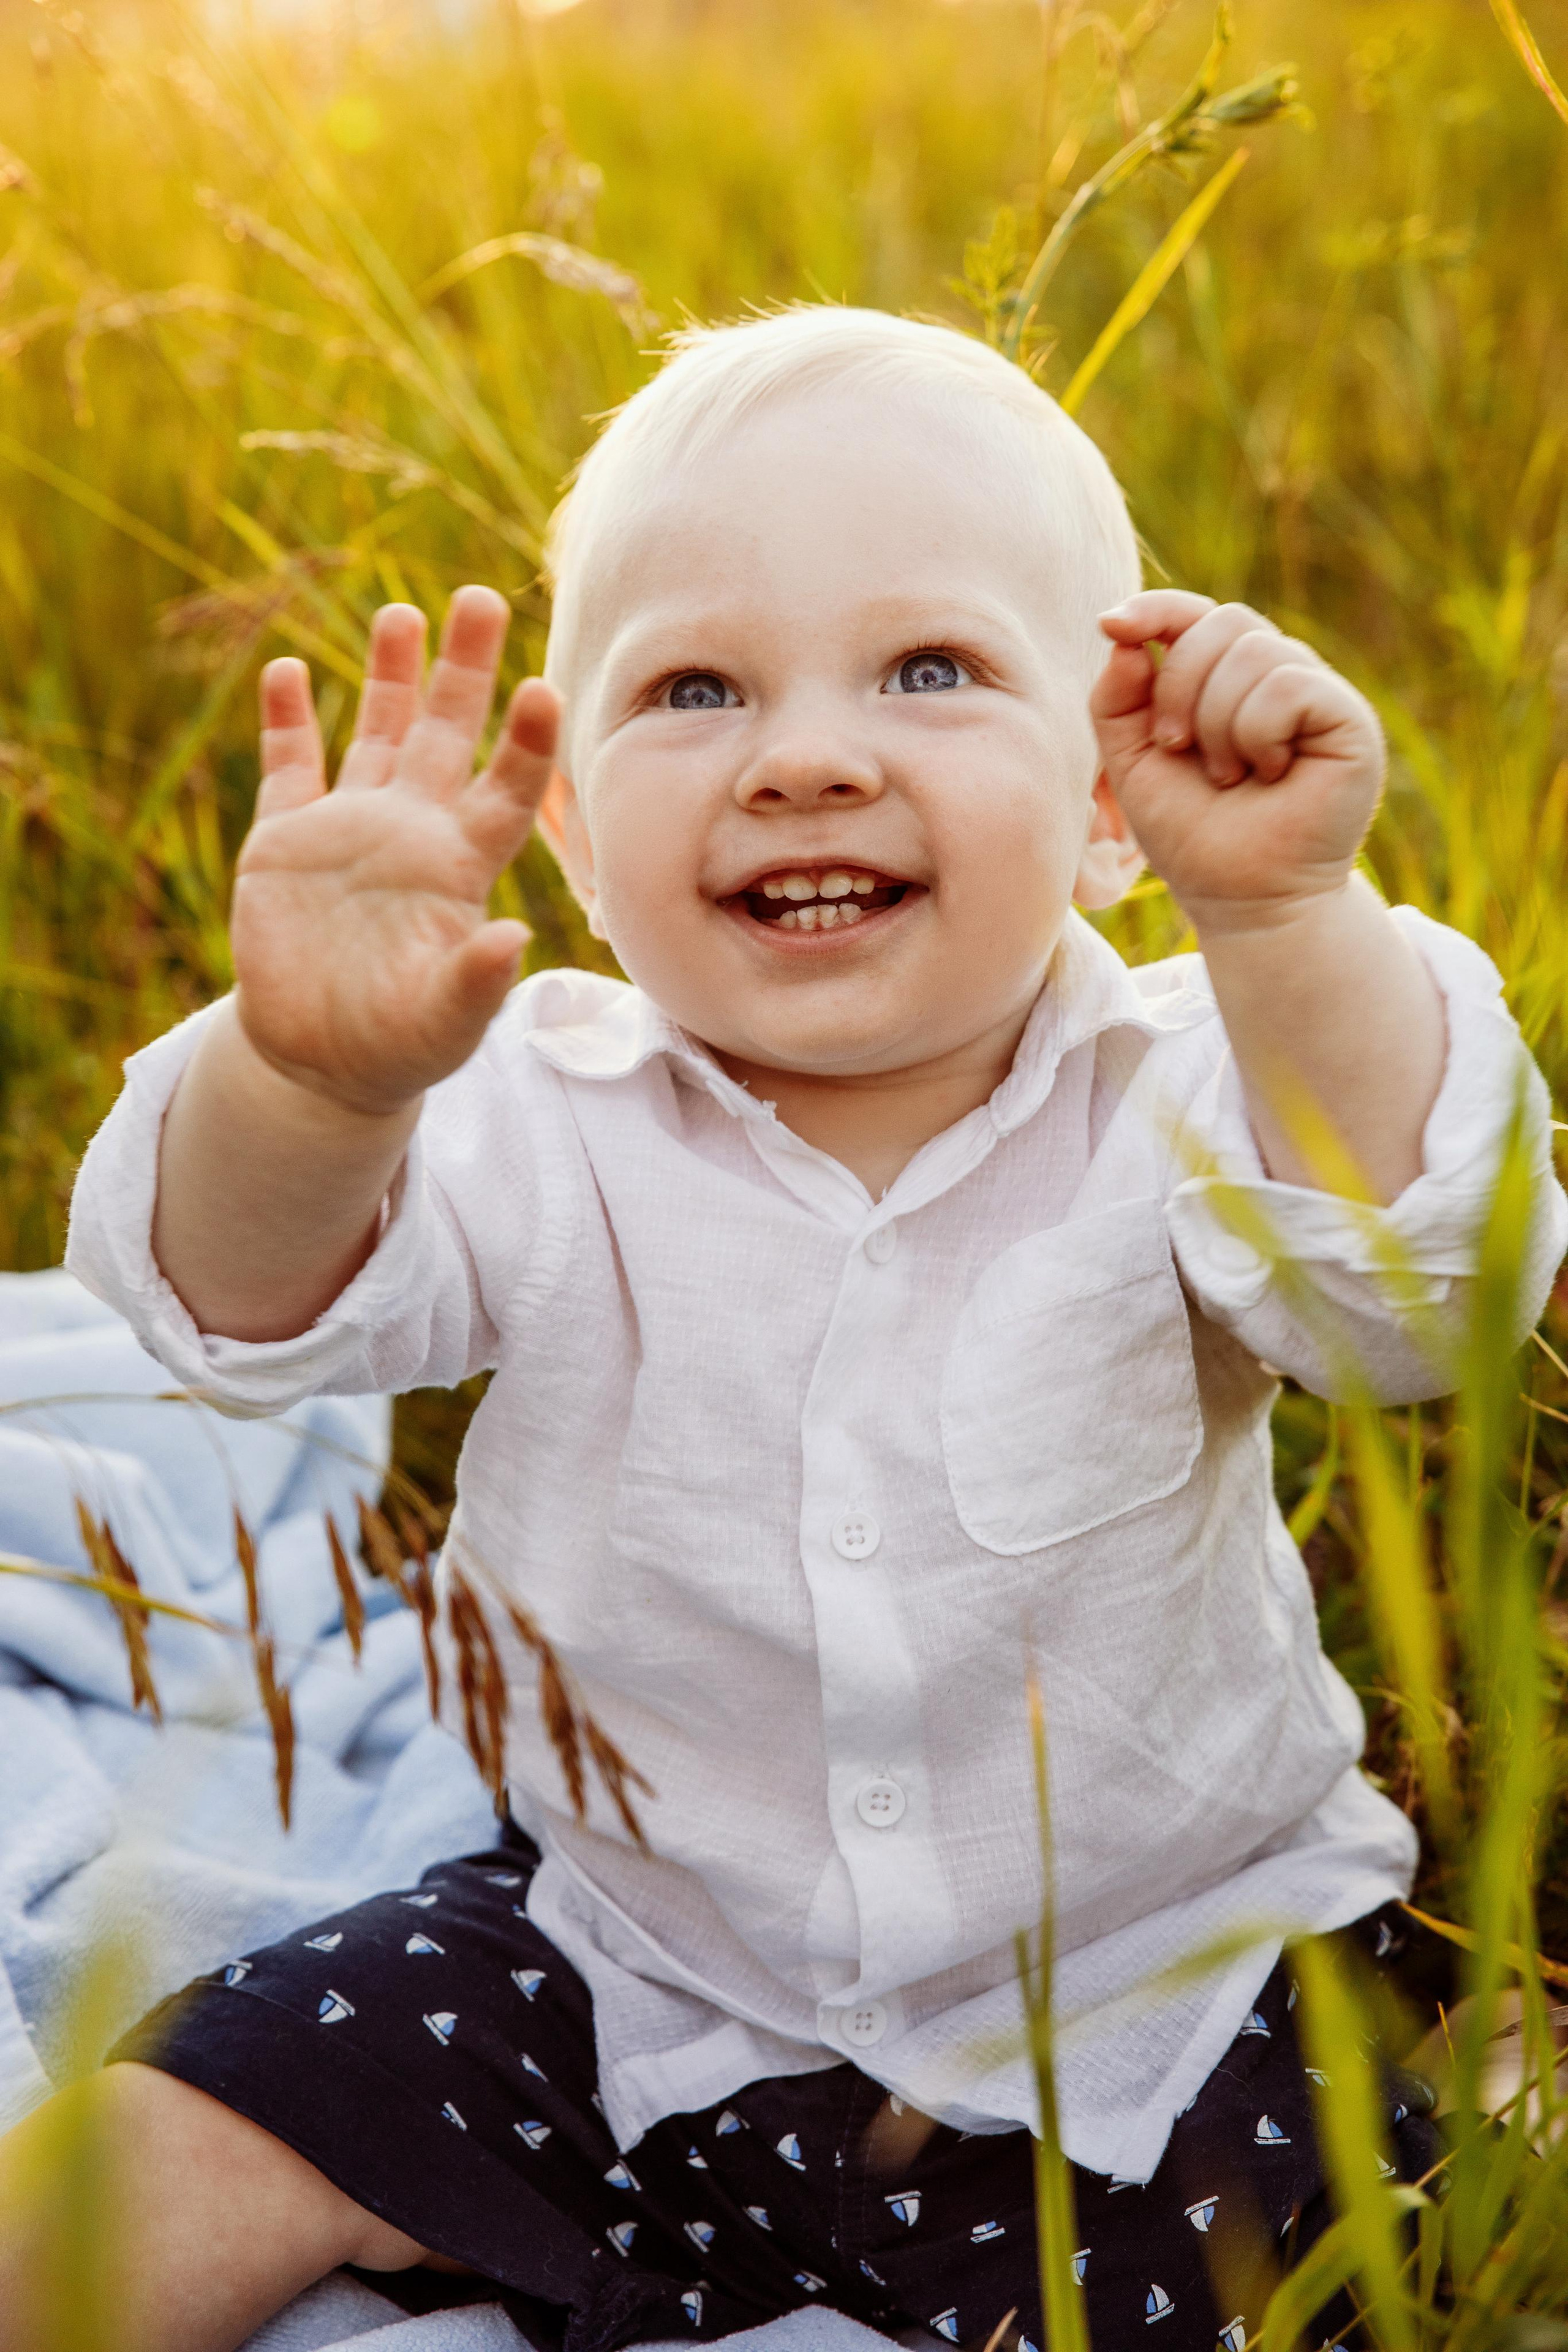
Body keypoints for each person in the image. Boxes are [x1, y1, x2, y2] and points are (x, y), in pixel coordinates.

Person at [2, 306, 1561, 2352]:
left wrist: (1287, 921)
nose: (806, 752)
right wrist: (311, 1086)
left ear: (1111, 801)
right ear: (567, 835)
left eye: (929, 670)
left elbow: (1421, 1296)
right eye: (694, 687)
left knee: (1367, 2237)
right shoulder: (535, 1115)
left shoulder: (1194, 1090)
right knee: (181, 2130)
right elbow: (233, 1313)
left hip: (1150, 2008)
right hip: (618, 1965)